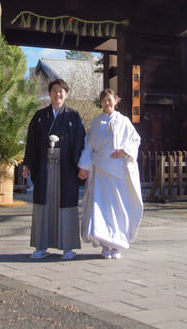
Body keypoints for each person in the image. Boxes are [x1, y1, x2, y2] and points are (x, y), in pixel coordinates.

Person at [23, 78, 85, 260]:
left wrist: (82, 165)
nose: (58, 94)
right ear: (49, 93)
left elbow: (80, 142)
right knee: (43, 204)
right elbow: (31, 142)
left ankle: (68, 248)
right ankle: (40, 247)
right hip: (44, 167)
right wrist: (28, 164)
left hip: (67, 168)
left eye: (61, 91)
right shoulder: (40, 116)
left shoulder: (73, 116)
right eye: (54, 91)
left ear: (66, 94)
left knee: (67, 205)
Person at [77, 88, 143, 259]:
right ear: (101, 103)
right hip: (100, 171)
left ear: (115, 100)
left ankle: (117, 244)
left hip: (118, 171)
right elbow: (88, 145)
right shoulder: (96, 122)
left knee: (118, 207)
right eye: (104, 100)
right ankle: (105, 244)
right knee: (101, 207)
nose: (107, 103)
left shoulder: (124, 121)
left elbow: (135, 140)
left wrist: (124, 150)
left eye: (109, 100)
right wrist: (84, 166)